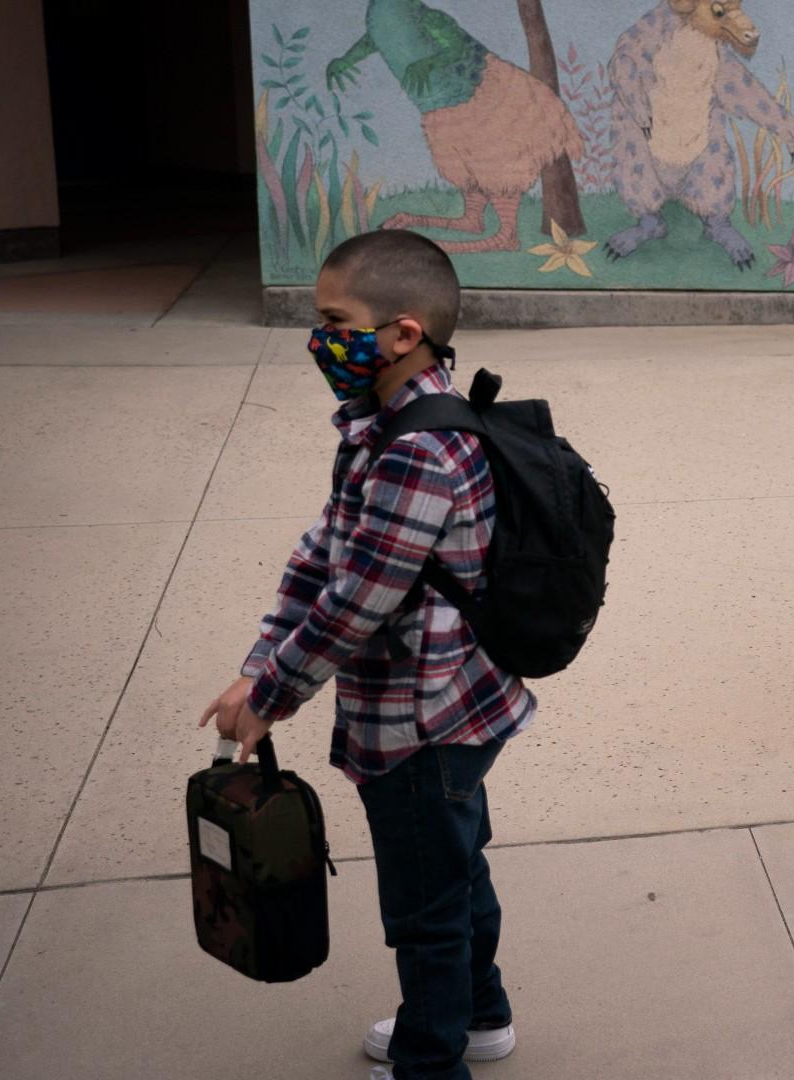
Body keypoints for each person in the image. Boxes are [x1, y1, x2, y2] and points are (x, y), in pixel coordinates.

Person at [198, 230, 530, 1080]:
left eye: (335, 319)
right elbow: (324, 550)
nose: (321, 337)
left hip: (422, 726)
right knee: (457, 870)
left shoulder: (419, 449)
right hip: (458, 702)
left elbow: (358, 604)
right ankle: (480, 1014)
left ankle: (432, 1058)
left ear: (403, 333)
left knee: (425, 907)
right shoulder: (384, 422)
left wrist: (273, 693)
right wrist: (260, 657)